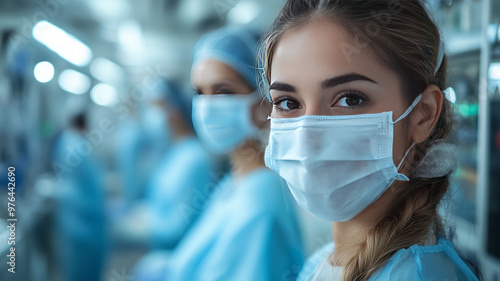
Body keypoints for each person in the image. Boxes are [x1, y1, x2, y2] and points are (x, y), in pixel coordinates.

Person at [262, 0, 480, 280]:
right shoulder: (324, 262)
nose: (309, 137)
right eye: (288, 103)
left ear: (423, 115)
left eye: (349, 99)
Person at [133, 26, 304, 281]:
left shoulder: (259, 204)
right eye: (199, 93)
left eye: (223, 91)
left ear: (264, 101)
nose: (207, 107)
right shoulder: (236, 181)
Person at [52, 112, 107, 281]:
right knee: (85, 271)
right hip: (86, 222)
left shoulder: (66, 142)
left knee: (75, 270)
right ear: (84, 125)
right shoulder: (79, 146)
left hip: (73, 220)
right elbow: (92, 187)